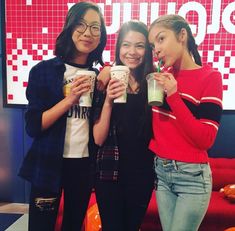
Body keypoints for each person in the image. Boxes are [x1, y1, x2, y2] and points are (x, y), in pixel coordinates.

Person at [18, 2, 107, 231]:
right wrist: (69, 100)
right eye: (81, 25)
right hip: (48, 163)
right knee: (40, 226)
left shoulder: (98, 77)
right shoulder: (44, 71)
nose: (88, 33)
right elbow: (34, 127)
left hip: (83, 165)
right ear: (69, 27)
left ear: (101, 35)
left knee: (74, 225)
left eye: (95, 27)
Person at [148, 14, 223, 231]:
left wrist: (173, 96)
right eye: (153, 45)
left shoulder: (210, 77)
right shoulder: (160, 76)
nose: (157, 50)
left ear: (182, 35)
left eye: (161, 39)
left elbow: (205, 139)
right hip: (161, 173)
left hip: (192, 177)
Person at [93, 20, 155, 231]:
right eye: (126, 45)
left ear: (148, 50)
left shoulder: (154, 83)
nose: (132, 52)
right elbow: (98, 139)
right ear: (118, 47)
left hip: (142, 174)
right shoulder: (104, 81)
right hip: (109, 174)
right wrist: (108, 100)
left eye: (140, 46)